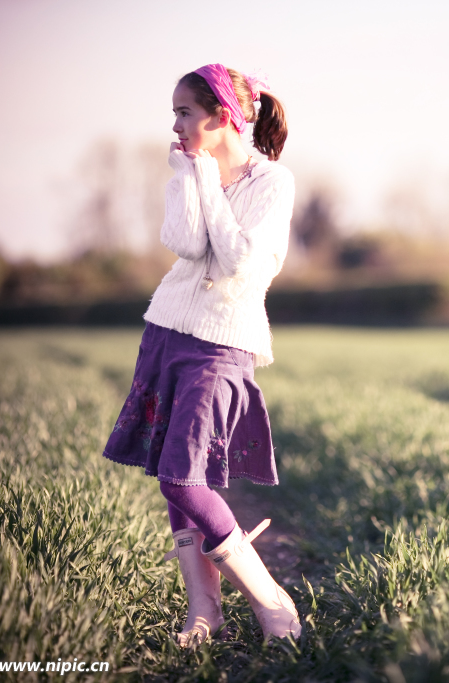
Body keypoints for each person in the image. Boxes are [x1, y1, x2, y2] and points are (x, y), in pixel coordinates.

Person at [102, 63, 299, 646]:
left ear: (220, 116)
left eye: (185, 112)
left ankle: (272, 602)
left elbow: (238, 261)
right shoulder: (186, 171)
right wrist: (192, 176)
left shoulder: (272, 183)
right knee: (174, 471)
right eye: (175, 114)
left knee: (181, 478)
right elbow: (188, 244)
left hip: (224, 341)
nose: (177, 124)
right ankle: (204, 611)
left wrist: (207, 180)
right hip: (167, 329)